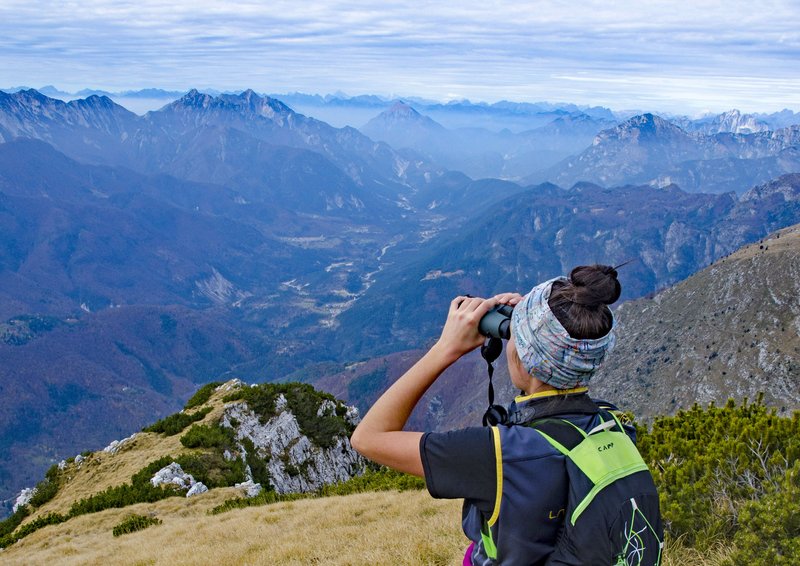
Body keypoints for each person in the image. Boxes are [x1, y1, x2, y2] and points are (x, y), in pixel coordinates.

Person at [350, 264, 662, 565]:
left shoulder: (499, 455)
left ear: (523, 357)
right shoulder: (612, 426)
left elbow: (368, 438)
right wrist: (536, 317)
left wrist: (445, 349)